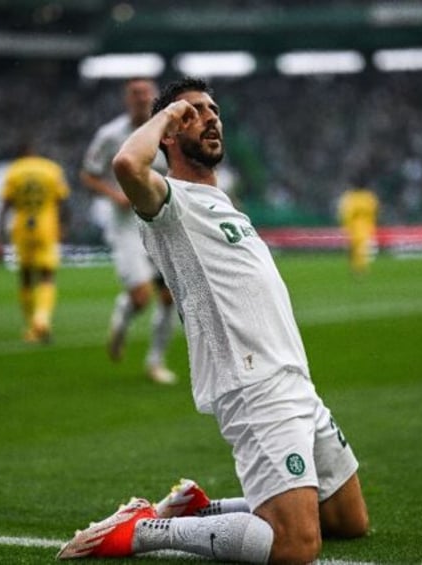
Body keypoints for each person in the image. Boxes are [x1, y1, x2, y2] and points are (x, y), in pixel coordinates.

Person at [58, 77, 369, 564]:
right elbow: (124, 164)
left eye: (213, 109)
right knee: (294, 547)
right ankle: (142, 531)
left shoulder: (222, 203)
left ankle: (201, 510)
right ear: (169, 132)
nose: (210, 117)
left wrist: (181, 111)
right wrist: (166, 114)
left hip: (295, 383)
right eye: (194, 112)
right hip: (255, 387)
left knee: (348, 522)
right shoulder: (169, 203)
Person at [80, 77, 177, 385]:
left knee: (169, 295)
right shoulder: (110, 135)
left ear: (154, 98)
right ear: (127, 99)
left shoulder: (167, 134)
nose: (141, 98)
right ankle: (123, 314)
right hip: (126, 228)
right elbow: (89, 175)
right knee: (141, 297)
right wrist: (114, 195)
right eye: (135, 94)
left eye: (146, 93)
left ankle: (155, 361)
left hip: (162, 224)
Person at [0, 146, 70, 343]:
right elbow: (63, 201)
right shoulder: (51, 169)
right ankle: (42, 319)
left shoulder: (14, 170)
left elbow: (5, 204)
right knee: (47, 274)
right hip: (46, 226)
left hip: (22, 227)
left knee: (26, 276)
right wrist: (64, 226)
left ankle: (31, 327)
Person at [337, 186, 379, 275]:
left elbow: (346, 214)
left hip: (355, 227)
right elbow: (374, 211)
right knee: (359, 247)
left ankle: (358, 268)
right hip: (364, 227)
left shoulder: (351, 198)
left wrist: (345, 225)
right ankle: (359, 267)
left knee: (358, 247)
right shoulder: (368, 197)